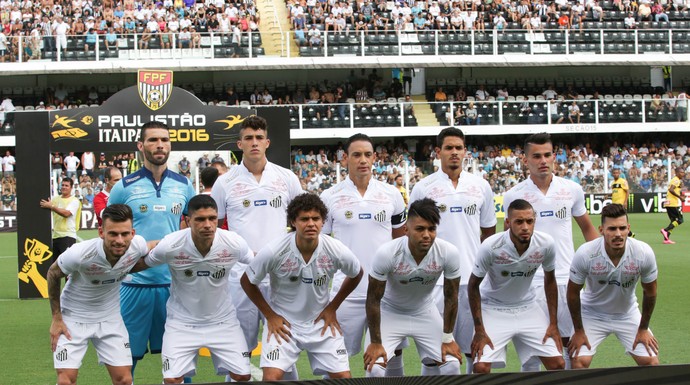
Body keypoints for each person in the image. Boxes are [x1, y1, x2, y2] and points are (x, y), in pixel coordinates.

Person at [211, 115, 303, 381]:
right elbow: (213, 228)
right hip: (241, 276)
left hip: (280, 274)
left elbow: (302, 221)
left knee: (283, 343)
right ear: (240, 143)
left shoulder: (286, 178)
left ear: (267, 142)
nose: (254, 143)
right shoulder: (224, 182)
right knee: (240, 349)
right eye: (248, 138)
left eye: (259, 137)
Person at [240, 193, 363, 380]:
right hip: (284, 325)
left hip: (320, 323)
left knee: (344, 378)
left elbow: (356, 273)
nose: (311, 224)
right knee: (271, 378)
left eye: (316, 218)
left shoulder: (335, 249)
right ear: (293, 222)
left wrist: (332, 307)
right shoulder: (275, 250)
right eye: (304, 219)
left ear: (323, 222)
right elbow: (247, 280)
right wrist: (270, 315)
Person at [503, 132, 599, 371]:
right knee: (535, 348)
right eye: (536, 156)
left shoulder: (572, 189)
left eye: (547, 155)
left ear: (554, 156)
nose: (543, 160)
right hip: (529, 282)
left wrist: (600, 262)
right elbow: (506, 239)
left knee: (568, 345)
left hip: (567, 277)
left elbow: (587, 229)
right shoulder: (513, 195)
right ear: (525, 160)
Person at [108, 121, 196, 379]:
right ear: (140, 145)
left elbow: (192, 226)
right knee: (125, 367)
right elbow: (110, 234)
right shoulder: (123, 187)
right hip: (133, 286)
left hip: (174, 287)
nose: (160, 145)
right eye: (153, 140)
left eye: (165, 140)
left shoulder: (184, 185)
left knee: (181, 366)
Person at [408, 127, 496, 373]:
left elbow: (489, 233)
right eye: (448, 148)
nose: (454, 153)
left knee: (473, 353)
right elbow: (414, 235)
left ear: (465, 152)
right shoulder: (423, 188)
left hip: (471, 281)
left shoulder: (481, 186)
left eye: (459, 148)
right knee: (437, 355)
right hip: (433, 282)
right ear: (438, 152)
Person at [320, 133, 408, 376]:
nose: (363, 160)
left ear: (375, 158)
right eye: (356, 155)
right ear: (345, 158)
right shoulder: (330, 196)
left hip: (385, 292)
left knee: (391, 356)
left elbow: (400, 243)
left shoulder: (391, 194)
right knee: (336, 357)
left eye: (368, 155)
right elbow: (323, 248)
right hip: (345, 291)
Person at [143, 195, 252, 383]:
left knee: (242, 376)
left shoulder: (233, 242)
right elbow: (143, 263)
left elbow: (257, 262)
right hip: (181, 323)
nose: (208, 225)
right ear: (187, 220)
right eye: (200, 219)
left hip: (222, 321)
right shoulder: (171, 245)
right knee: (172, 380)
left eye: (212, 218)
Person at [46, 204, 150, 385]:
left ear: (132, 233)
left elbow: (156, 247)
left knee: (124, 379)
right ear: (101, 232)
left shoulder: (137, 245)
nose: (119, 240)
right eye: (113, 234)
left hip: (110, 318)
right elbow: (53, 273)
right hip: (73, 318)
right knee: (65, 381)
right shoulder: (80, 254)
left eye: (125, 234)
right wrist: (56, 317)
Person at [364, 198, 463, 377]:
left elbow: (451, 297)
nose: (427, 234)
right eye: (420, 229)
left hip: (424, 311)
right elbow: (373, 299)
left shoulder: (449, 252)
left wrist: (447, 338)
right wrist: (375, 342)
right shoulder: (387, 253)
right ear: (406, 230)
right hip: (390, 312)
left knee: (452, 365)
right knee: (375, 368)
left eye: (431, 229)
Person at [468, 199, 565, 373]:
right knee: (481, 367)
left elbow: (550, 281)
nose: (525, 227)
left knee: (558, 364)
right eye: (519, 222)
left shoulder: (546, 244)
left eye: (530, 221)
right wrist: (479, 329)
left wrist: (553, 324)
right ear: (507, 223)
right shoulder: (491, 246)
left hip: (527, 307)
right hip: (494, 308)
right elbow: (473, 285)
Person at [567, 204, 659, 368]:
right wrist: (579, 331)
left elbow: (650, 292)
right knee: (579, 361)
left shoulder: (643, 252)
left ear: (628, 228)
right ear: (601, 229)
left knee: (651, 361)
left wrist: (643, 328)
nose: (618, 234)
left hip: (627, 313)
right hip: (592, 313)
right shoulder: (586, 253)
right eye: (612, 229)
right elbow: (573, 293)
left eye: (622, 228)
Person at [40, 178, 81, 262]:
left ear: (71, 188)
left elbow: (66, 214)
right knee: (53, 266)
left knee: (68, 266)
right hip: (56, 236)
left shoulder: (74, 201)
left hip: (68, 236)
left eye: (66, 185)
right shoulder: (55, 199)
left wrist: (52, 206)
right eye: (62, 185)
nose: (64, 187)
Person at [660, 167, 685, 244]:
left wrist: (680, 194)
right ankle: (665, 230)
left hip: (669, 203)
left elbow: (675, 189)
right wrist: (680, 197)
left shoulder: (676, 180)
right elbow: (671, 190)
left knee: (673, 221)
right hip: (672, 203)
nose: (683, 174)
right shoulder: (676, 180)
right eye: (681, 172)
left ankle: (666, 239)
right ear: (677, 173)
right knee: (680, 220)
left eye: (683, 172)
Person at [610, 168, 634, 238]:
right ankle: (630, 234)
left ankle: (629, 234)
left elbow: (627, 191)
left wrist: (625, 201)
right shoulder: (613, 183)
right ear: (612, 174)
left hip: (620, 203)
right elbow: (614, 192)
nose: (615, 174)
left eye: (617, 173)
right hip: (614, 204)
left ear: (619, 174)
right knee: (616, 220)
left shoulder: (623, 181)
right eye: (614, 173)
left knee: (621, 219)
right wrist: (608, 195)